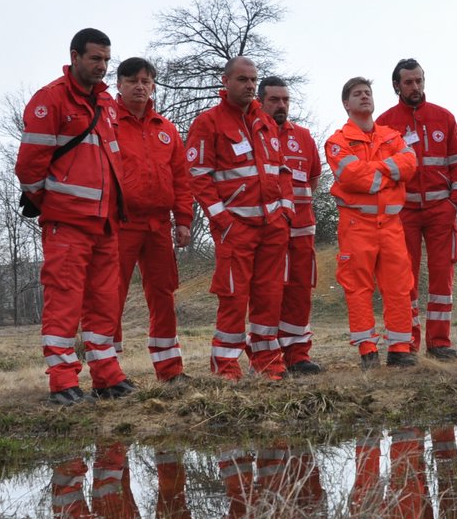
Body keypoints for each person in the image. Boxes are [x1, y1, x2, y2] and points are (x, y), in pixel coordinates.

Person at [15, 28, 138, 406]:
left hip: (105, 222)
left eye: (105, 59)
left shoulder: (106, 105)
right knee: (64, 301)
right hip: (67, 222)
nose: (101, 66)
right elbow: (29, 169)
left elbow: (113, 160)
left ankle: (106, 374)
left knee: (104, 301)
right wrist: (52, 204)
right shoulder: (50, 100)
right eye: (94, 58)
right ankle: (63, 381)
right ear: (74, 56)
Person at [185, 56, 290, 381]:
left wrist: (285, 211)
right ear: (225, 81)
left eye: (252, 80)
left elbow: (281, 169)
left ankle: (269, 365)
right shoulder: (209, 123)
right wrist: (222, 220)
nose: (248, 85)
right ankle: (226, 368)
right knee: (234, 298)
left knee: (269, 298)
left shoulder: (266, 121)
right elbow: (197, 175)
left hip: (272, 228)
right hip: (236, 228)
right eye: (242, 79)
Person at [323, 76, 419, 368]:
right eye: (357, 94)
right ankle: (367, 350)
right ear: (346, 104)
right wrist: (390, 173)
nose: (364, 96)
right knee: (358, 288)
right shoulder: (337, 141)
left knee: (399, 287)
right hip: (356, 225)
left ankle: (400, 349)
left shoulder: (392, 136)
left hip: (391, 224)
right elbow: (352, 176)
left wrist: (375, 173)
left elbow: (411, 164)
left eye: (367, 92)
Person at [376, 58, 457, 359]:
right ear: (396, 86)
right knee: (404, 278)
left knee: (442, 278)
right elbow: (381, 168)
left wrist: (455, 201)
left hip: (442, 209)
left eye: (419, 80)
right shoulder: (385, 122)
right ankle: (407, 342)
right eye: (409, 82)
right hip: (404, 213)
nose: (415, 87)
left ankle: (440, 342)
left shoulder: (444, 117)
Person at [113, 57, 193, 383]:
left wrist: (183, 219)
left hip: (159, 224)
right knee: (110, 295)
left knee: (163, 295)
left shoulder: (166, 129)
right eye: (132, 80)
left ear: (153, 86)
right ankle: (110, 373)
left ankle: (170, 370)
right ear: (118, 85)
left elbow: (181, 177)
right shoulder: (106, 123)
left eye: (146, 81)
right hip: (119, 223)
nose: (140, 86)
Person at [259, 76, 326, 375]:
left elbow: (313, 178)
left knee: (300, 292)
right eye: (274, 100)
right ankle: (267, 356)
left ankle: (297, 354)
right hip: (267, 230)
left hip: (301, 230)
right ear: (261, 101)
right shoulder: (254, 134)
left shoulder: (304, 137)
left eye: (285, 100)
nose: (281, 105)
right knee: (269, 292)